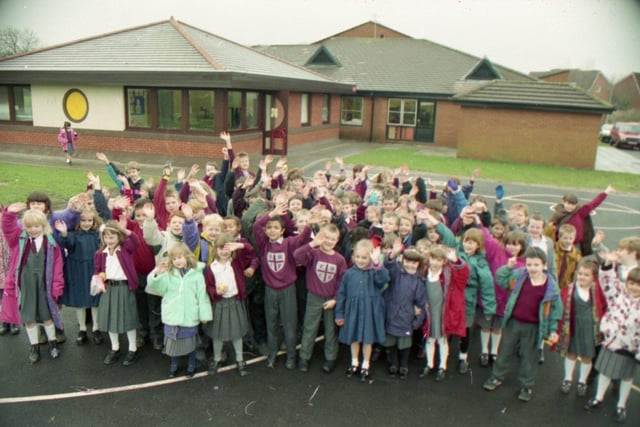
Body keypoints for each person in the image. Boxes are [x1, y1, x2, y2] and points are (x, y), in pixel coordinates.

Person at [483, 247, 563, 402]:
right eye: (529, 264)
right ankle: (496, 377)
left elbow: (555, 311)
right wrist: (509, 266)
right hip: (514, 322)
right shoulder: (520, 276)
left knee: (529, 357)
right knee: (504, 351)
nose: (532, 268)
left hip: (533, 327)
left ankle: (527, 385)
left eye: (536, 265)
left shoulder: (551, 288)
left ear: (544, 265)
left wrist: (553, 329)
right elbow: (500, 279)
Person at [1, 203, 65, 363]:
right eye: (29, 226)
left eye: (37, 226)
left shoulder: (50, 244)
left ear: (43, 226)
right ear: (24, 226)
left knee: (47, 316)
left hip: (44, 286)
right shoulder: (19, 240)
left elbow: (57, 269)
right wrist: (9, 214)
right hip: (26, 286)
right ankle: (34, 346)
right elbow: (8, 228)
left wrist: (57, 288)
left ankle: (52, 342)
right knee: (28, 318)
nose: (33, 229)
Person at [253, 201, 313, 369]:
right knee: (271, 323)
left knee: (289, 323)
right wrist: (271, 214)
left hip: (287, 289)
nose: (272, 230)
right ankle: (272, 354)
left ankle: (291, 356)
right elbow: (257, 226)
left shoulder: (289, 243)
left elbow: (304, 238)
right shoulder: (264, 244)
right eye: (269, 227)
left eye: (276, 228)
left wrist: (308, 224)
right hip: (270, 290)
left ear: (282, 230)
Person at [584, 256, 640, 423]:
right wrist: (607, 266)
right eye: (631, 283)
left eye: (638, 285)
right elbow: (609, 281)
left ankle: (621, 405)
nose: (634, 287)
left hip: (631, 347)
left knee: (626, 377)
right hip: (612, 343)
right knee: (605, 371)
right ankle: (599, 397)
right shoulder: (619, 294)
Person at [147, 242, 212, 378]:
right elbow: (156, 287)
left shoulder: (197, 275)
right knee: (173, 344)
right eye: (174, 258)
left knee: (191, 343)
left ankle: (191, 364)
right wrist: (157, 273)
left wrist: (204, 314)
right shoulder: (168, 274)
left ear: (188, 257)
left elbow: (202, 296)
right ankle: (174, 365)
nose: (177, 261)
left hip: (190, 316)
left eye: (180, 257)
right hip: (172, 316)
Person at [293, 223, 348, 374]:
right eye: (326, 238)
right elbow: (297, 255)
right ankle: (304, 356)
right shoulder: (313, 253)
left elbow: (341, 283)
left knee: (330, 329)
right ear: (320, 237)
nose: (329, 241)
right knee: (309, 327)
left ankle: (331, 357)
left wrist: (335, 299)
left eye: (333, 239)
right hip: (314, 297)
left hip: (330, 299)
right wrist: (313, 243)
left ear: (337, 241)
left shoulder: (340, 260)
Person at [335, 239, 390, 383]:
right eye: (357, 257)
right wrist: (339, 314)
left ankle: (366, 364)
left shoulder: (374, 272)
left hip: (369, 311)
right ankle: (354, 362)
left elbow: (384, 279)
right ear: (353, 256)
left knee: (367, 339)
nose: (360, 260)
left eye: (364, 258)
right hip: (353, 312)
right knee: (354, 338)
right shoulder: (348, 274)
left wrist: (377, 264)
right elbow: (341, 294)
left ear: (371, 257)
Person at [203, 233, 254, 377]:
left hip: (235, 301)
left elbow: (250, 252)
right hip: (220, 303)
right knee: (217, 334)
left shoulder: (236, 263)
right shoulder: (210, 268)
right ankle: (217, 358)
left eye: (227, 248)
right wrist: (216, 292)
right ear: (215, 249)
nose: (224, 252)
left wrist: (241, 245)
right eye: (221, 248)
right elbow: (209, 287)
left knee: (237, 333)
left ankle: (239, 359)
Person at [94, 218, 140, 366]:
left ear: (119, 237)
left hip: (124, 287)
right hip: (109, 289)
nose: (109, 240)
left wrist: (124, 230)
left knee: (128, 319)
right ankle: (115, 348)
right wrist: (99, 281)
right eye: (106, 237)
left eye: (112, 237)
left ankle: (133, 348)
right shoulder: (101, 253)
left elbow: (135, 241)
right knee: (110, 319)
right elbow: (98, 270)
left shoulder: (125, 248)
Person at [419, 245, 469, 381]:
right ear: (429, 259)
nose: (435, 262)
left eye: (439, 260)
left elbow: (463, 275)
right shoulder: (424, 272)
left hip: (443, 311)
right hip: (429, 311)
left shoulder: (449, 273)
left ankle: (442, 366)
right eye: (433, 259)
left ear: (444, 262)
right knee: (429, 339)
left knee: (442, 339)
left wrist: (457, 261)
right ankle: (429, 364)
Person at [556, 260, 605, 398]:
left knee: (587, 357)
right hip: (573, 327)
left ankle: (582, 381)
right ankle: (568, 378)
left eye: (586, 275)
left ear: (593, 277)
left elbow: (604, 306)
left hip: (590, 328)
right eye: (580, 273)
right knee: (571, 353)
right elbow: (561, 306)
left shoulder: (597, 290)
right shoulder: (570, 289)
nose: (582, 277)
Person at [54, 209, 104, 345]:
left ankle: (96, 327)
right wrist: (63, 233)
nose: (86, 223)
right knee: (80, 300)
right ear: (77, 221)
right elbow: (67, 243)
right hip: (77, 270)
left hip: (93, 269)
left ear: (94, 221)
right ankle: (82, 328)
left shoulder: (97, 235)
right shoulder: (73, 235)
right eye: (83, 220)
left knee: (95, 299)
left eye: (89, 220)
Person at [383, 244, 426, 379]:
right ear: (403, 260)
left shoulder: (419, 282)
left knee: (404, 344)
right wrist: (393, 254)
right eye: (407, 261)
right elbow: (389, 264)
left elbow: (421, 304)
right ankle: (393, 364)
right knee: (390, 342)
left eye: (414, 263)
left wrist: (417, 322)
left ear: (418, 264)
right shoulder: (397, 273)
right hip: (391, 313)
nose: (410, 265)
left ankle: (403, 365)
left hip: (407, 317)